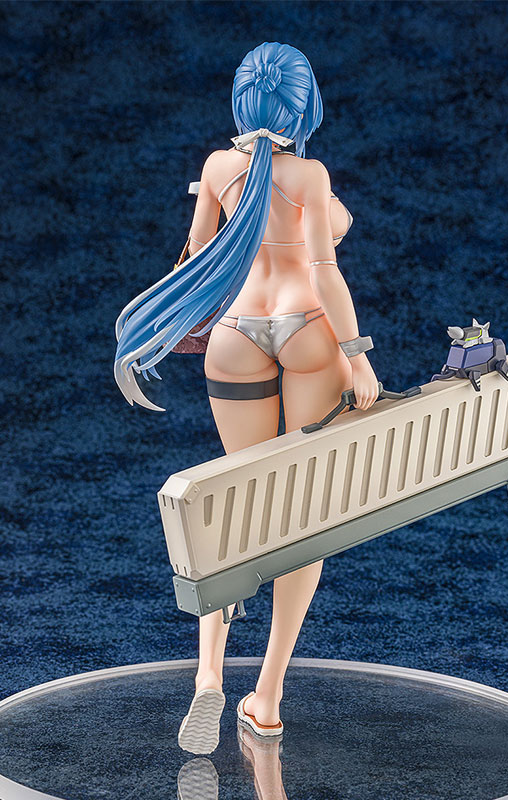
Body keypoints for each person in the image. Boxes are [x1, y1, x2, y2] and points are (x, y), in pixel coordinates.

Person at [114, 41, 379, 753]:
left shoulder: (217, 169)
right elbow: (324, 272)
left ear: (241, 101)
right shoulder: (310, 175)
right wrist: (358, 358)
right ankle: (266, 698)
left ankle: (208, 673)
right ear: (304, 106)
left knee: (239, 500)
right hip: (306, 331)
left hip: (235, 335)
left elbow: (196, 260)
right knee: (304, 514)